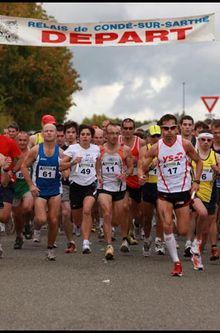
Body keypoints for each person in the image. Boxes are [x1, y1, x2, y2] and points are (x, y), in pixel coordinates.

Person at [138, 114, 203, 277]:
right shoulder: (156, 147)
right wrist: (141, 176)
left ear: (177, 128)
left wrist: (196, 181)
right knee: (166, 224)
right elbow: (143, 165)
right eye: (165, 128)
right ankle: (176, 263)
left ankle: (188, 238)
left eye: (172, 128)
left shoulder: (185, 144)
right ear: (161, 129)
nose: (169, 131)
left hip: (182, 190)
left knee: (182, 230)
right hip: (164, 192)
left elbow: (199, 161)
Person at [21, 123, 63, 261]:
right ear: (42, 134)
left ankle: (50, 248)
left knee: (53, 219)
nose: (49, 133)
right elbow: (24, 167)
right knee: (41, 219)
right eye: (46, 131)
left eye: (52, 131)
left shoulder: (60, 152)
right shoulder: (35, 150)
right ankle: (36, 226)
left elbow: (66, 168)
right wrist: (31, 185)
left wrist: (67, 170)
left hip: (55, 189)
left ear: (56, 134)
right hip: (40, 189)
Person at [61, 124, 100, 254]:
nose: (85, 137)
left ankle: (85, 242)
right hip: (75, 185)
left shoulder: (96, 149)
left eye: (88, 134)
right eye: (83, 134)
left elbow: (97, 163)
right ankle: (79, 227)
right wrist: (72, 162)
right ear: (79, 136)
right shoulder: (72, 149)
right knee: (77, 219)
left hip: (91, 184)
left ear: (91, 137)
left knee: (87, 210)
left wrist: (99, 175)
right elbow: (60, 165)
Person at [96, 122, 133, 260]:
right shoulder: (99, 150)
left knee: (119, 217)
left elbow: (130, 167)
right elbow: (96, 167)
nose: (114, 136)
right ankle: (109, 245)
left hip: (119, 187)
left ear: (119, 135)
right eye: (111, 133)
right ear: (106, 135)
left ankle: (124, 238)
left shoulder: (125, 150)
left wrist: (125, 175)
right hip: (104, 187)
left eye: (116, 134)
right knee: (106, 213)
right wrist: (98, 176)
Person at [190, 129, 220, 270]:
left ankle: (197, 255)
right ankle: (193, 241)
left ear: (212, 141)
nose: (206, 142)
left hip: (210, 193)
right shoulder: (191, 155)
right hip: (194, 192)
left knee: (206, 231)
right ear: (198, 140)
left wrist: (217, 170)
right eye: (203, 139)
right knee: (202, 213)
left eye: (209, 140)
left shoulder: (216, 156)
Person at [138, 125, 165, 256]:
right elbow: (141, 168)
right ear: (148, 137)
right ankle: (147, 239)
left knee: (161, 215)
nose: (155, 138)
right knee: (147, 218)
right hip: (149, 185)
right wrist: (149, 166)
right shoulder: (145, 149)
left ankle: (159, 241)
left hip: (162, 185)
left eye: (158, 136)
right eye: (153, 136)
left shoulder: (166, 149)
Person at [119, 118, 146, 245]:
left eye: (130, 128)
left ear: (134, 130)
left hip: (137, 180)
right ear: (121, 129)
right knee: (125, 206)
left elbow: (144, 162)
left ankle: (134, 226)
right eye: (125, 128)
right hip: (123, 180)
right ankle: (125, 238)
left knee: (138, 212)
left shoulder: (140, 142)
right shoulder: (117, 141)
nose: (128, 131)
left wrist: (137, 162)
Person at [12, 131, 34, 249]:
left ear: (28, 141)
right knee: (16, 215)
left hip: (27, 185)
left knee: (27, 207)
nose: (22, 142)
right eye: (20, 140)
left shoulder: (32, 153)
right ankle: (19, 236)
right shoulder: (12, 153)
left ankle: (27, 223)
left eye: (24, 140)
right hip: (14, 187)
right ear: (16, 140)